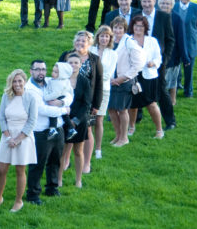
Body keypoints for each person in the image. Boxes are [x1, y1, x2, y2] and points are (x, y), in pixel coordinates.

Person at [25, 60, 71, 204]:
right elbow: (41, 110)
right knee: (37, 164)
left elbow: (69, 93)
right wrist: (63, 110)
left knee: (55, 161)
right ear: (31, 71)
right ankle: (33, 194)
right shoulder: (30, 89)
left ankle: (52, 187)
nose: (41, 73)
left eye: (43, 69)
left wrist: (62, 102)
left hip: (58, 128)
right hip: (41, 131)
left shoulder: (51, 81)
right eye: (37, 69)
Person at [58, 31, 103, 178]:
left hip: (86, 102)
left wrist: (96, 104)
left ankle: (86, 163)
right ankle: (65, 161)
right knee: (68, 129)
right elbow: (57, 74)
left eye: (83, 41)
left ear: (89, 43)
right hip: (67, 101)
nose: (80, 43)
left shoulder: (94, 59)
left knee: (87, 131)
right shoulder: (66, 55)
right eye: (78, 40)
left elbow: (99, 83)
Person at [0, 69, 37, 212]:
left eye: (20, 81)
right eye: (14, 81)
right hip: (7, 136)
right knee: (2, 170)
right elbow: (1, 118)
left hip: (23, 137)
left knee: (20, 170)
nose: (17, 84)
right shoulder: (6, 96)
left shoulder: (31, 98)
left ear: (24, 82)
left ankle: (18, 201)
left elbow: (32, 121)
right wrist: (8, 137)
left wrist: (18, 139)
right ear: (10, 82)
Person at [139, 0, 175, 130]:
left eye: (149, 1)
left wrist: (164, 60)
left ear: (155, 1)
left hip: (157, 63)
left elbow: (170, 40)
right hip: (139, 62)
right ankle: (137, 117)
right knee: (138, 88)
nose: (147, 4)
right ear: (141, 2)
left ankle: (170, 121)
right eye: (144, 2)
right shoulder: (137, 16)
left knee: (161, 90)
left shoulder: (164, 17)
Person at [108, 17, 146, 147]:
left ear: (124, 29)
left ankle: (124, 138)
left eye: (120, 28)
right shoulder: (110, 41)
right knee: (111, 110)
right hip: (111, 82)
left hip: (124, 82)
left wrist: (122, 78)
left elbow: (138, 64)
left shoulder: (129, 42)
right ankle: (118, 135)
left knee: (122, 110)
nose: (117, 30)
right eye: (115, 27)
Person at [58, 53, 93, 188]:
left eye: (75, 63)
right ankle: (59, 179)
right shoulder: (61, 80)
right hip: (63, 120)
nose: (73, 65)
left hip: (80, 121)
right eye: (70, 62)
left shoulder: (84, 81)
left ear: (80, 64)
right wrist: (67, 120)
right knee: (63, 151)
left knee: (78, 151)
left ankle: (78, 180)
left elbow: (86, 103)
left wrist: (76, 120)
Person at [127, 16, 164, 139]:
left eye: (141, 26)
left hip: (149, 76)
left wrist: (153, 63)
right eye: (136, 25)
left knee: (151, 104)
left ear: (145, 28)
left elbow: (158, 58)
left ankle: (159, 130)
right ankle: (131, 127)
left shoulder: (152, 41)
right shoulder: (127, 41)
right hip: (133, 76)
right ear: (132, 26)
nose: (138, 28)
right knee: (133, 105)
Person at [89, 26, 118, 159]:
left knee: (99, 119)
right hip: (89, 90)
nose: (104, 38)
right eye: (102, 35)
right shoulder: (90, 50)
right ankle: (86, 147)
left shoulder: (113, 54)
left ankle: (98, 150)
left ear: (110, 38)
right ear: (98, 37)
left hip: (104, 90)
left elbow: (108, 75)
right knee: (88, 119)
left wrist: (94, 77)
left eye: (107, 36)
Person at [173, 0, 197, 98]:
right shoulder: (173, 6)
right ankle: (174, 90)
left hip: (190, 44)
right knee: (175, 68)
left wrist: (191, 36)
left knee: (189, 69)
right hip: (176, 44)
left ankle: (188, 91)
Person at [44, 62, 78, 140]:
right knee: (64, 115)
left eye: (56, 72)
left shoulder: (57, 82)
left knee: (53, 114)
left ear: (62, 74)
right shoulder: (64, 80)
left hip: (56, 98)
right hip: (61, 98)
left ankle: (52, 128)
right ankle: (71, 128)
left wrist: (47, 98)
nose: (53, 73)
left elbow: (55, 93)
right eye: (53, 71)